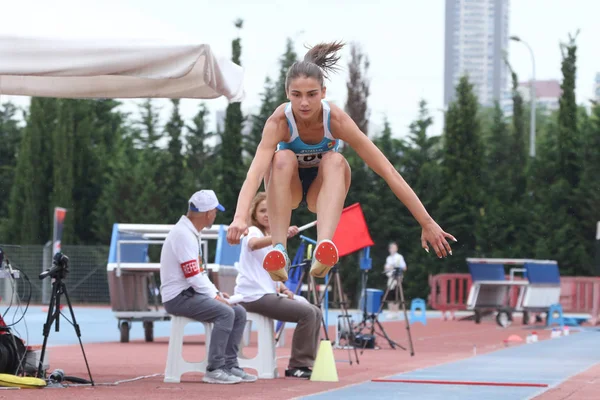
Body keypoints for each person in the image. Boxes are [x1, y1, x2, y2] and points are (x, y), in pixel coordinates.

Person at [226, 41, 457, 283]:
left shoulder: (335, 119)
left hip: (322, 193)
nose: (304, 103)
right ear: (287, 94)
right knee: (281, 157)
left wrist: (426, 221)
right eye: (297, 95)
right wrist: (240, 217)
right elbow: (255, 173)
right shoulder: (279, 122)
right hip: (287, 189)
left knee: (335, 159)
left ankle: (324, 245)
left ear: (323, 93)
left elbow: (387, 170)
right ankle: (279, 249)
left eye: (312, 94)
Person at [160, 190, 257, 384]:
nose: (215, 215)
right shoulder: (183, 235)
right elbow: (194, 275)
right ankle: (215, 369)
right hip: (178, 297)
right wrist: (215, 296)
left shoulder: (189, 232)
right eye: (215, 211)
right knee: (226, 313)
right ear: (208, 213)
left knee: (238, 312)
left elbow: (197, 273)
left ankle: (230, 364)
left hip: (188, 293)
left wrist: (217, 294)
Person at [233, 192, 323, 379]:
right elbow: (254, 244)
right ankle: (298, 365)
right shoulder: (253, 231)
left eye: (270, 210)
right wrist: (280, 235)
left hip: (267, 294)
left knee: (315, 310)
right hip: (252, 296)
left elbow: (271, 272)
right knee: (307, 313)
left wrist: (283, 288)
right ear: (254, 214)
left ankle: (306, 362)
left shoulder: (272, 238)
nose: (266, 214)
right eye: (262, 210)